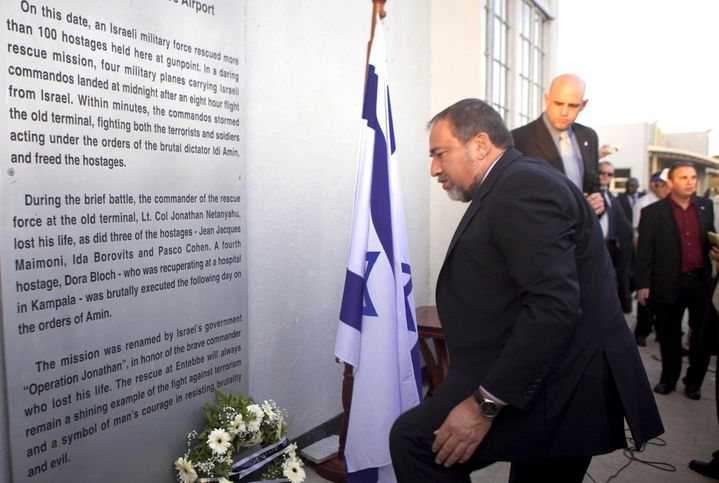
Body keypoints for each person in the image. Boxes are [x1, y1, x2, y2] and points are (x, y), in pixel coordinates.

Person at [389, 99, 663, 483]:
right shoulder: (511, 181)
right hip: (546, 379)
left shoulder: (524, 186)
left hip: (563, 387)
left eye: (439, 153)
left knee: (416, 441)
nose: (434, 168)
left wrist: (483, 404)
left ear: (480, 144)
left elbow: (553, 307)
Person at [636, 161, 714, 400]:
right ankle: (668, 379)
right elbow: (645, 252)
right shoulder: (652, 212)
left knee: (702, 336)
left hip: (700, 281)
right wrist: (643, 284)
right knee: (669, 335)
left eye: (692, 177)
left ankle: (693, 382)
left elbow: (709, 238)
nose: (690, 181)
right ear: (670, 182)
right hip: (668, 282)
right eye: (683, 178)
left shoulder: (705, 206)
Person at [511, 73, 604, 216]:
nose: (564, 112)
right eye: (559, 103)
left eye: (573, 105)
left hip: (582, 232)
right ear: (547, 99)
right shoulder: (518, 139)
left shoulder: (589, 136)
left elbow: (593, 182)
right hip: (541, 233)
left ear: (583, 105)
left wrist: (597, 200)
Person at [632, 170, 670, 346]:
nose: (668, 190)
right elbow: (639, 237)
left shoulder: (671, 204)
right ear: (656, 185)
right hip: (649, 257)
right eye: (665, 186)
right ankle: (642, 331)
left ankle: (663, 331)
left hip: (666, 259)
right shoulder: (643, 204)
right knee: (645, 298)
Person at [598, 161, 633, 313]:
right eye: (603, 172)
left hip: (614, 245)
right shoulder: (592, 194)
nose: (606, 176)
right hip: (598, 246)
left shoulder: (610, 196)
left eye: (610, 174)